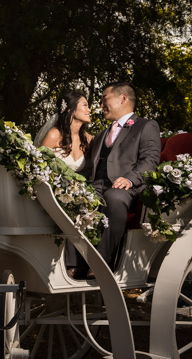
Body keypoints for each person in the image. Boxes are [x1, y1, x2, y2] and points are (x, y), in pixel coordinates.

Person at [69, 81, 161, 279]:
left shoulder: (146, 126)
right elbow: (90, 168)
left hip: (127, 188)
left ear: (123, 98)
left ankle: (101, 261)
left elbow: (150, 159)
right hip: (96, 185)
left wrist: (130, 178)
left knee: (114, 197)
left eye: (105, 99)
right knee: (72, 200)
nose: (101, 104)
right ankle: (75, 264)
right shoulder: (101, 135)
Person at [39, 90, 93, 171]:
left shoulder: (88, 139)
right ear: (70, 109)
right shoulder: (54, 135)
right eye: (85, 105)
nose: (89, 110)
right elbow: (38, 163)